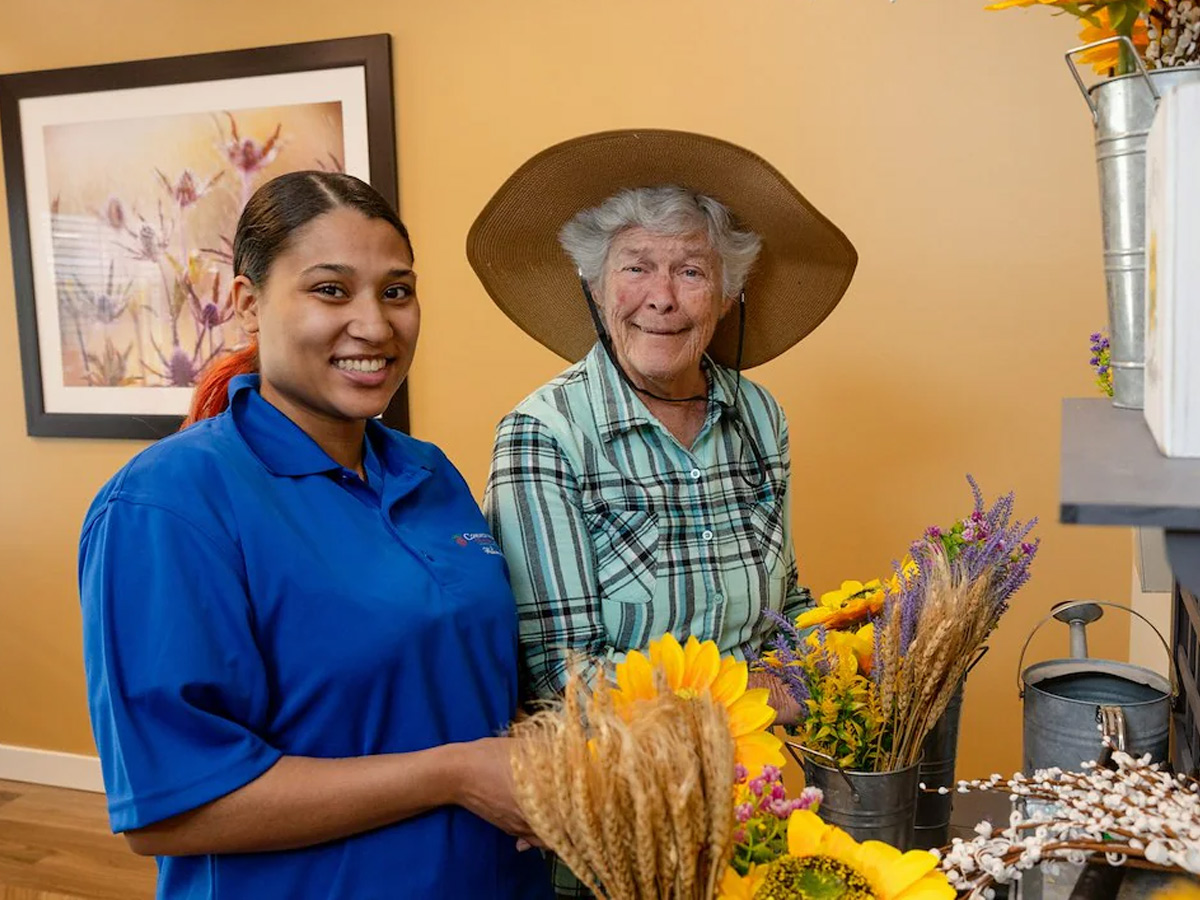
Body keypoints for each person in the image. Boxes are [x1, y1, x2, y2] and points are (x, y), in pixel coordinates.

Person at [78, 171, 552, 899]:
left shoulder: (430, 473)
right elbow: (172, 809)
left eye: (396, 291)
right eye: (331, 290)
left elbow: (457, 679)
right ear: (248, 304)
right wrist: (455, 775)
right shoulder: (166, 505)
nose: (376, 325)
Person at [468, 130, 857, 897]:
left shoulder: (760, 417)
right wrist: (758, 695)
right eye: (636, 266)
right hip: (619, 830)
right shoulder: (545, 434)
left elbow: (786, 604)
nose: (662, 297)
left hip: (756, 810)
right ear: (594, 283)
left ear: (729, 291)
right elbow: (563, 681)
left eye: (691, 270)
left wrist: (837, 662)